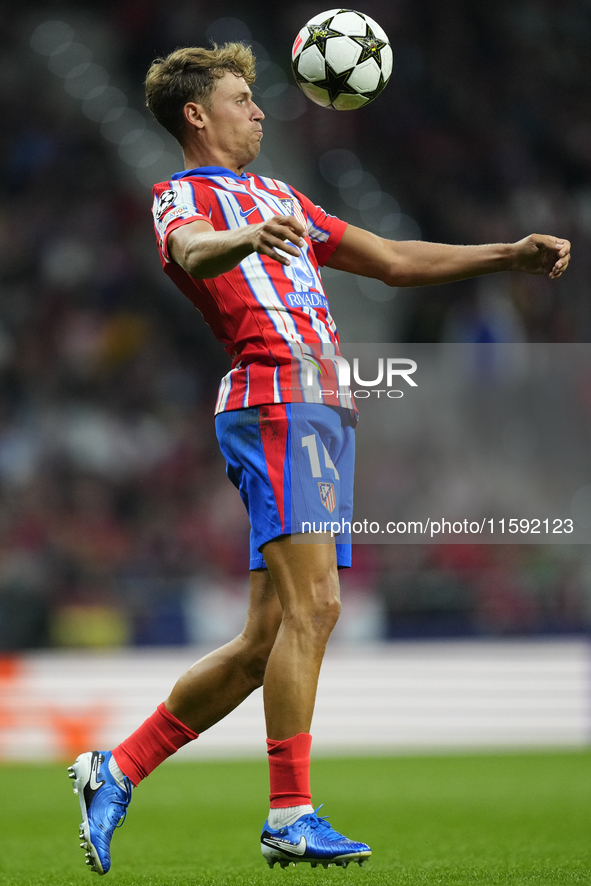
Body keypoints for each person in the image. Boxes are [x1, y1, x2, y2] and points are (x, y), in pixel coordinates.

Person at [67, 42, 571, 876]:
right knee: (319, 608)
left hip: (323, 408)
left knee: (267, 637)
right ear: (197, 114)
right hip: (275, 400)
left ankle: (115, 769)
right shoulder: (180, 197)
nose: (260, 110)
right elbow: (192, 253)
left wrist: (504, 254)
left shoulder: (278, 192)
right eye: (241, 97)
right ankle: (290, 814)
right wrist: (244, 237)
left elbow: (393, 259)